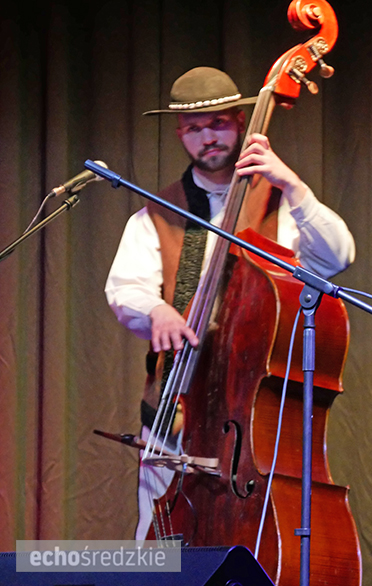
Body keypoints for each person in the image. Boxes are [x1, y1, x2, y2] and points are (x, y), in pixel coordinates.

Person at [104, 66, 355, 540]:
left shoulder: (284, 204)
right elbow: (125, 288)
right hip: (174, 409)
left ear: (241, 122)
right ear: (180, 134)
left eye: (217, 123)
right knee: (161, 544)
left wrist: (294, 186)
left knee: (260, 539)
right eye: (194, 128)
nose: (207, 137)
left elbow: (337, 256)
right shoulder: (157, 212)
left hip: (257, 416)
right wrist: (156, 310)